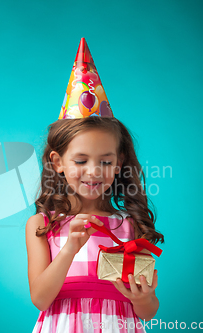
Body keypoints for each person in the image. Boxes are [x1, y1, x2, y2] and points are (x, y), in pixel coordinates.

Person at [25, 38, 164, 333]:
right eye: (80, 161)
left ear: (119, 162)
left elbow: (149, 312)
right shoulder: (41, 224)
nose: (93, 172)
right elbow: (40, 298)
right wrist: (68, 250)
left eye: (105, 161)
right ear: (57, 161)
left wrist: (145, 297)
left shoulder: (129, 227)